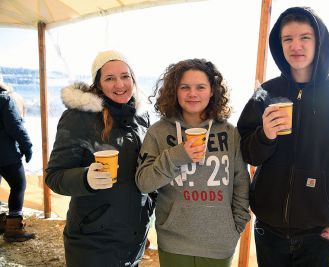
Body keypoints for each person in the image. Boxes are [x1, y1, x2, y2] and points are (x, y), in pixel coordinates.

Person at [237, 6, 329, 267]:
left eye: (305, 37)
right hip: (268, 227)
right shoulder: (265, 92)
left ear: (319, 42)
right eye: (288, 39)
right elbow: (245, 152)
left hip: (319, 231)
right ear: (280, 44)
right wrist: (265, 135)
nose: (296, 45)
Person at [135, 58, 250, 267]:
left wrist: (237, 225)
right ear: (174, 91)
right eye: (185, 87)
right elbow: (144, 182)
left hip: (219, 243)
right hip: (174, 242)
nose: (193, 94)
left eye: (200, 87)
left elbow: (241, 181)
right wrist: (179, 154)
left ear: (212, 91)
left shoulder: (229, 132)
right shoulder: (158, 132)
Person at [45, 50, 155, 267]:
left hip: (134, 236)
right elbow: (54, 176)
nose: (120, 84)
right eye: (110, 78)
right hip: (93, 240)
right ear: (98, 84)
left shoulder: (142, 117)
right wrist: (85, 178)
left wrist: (151, 204)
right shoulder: (80, 117)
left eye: (125, 76)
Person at [0, 81, 35, 242]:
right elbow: (16, 127)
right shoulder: (4, 100)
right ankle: (14, 229)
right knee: (18, 185)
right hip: (6, 155)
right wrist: (27, 146)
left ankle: (2, 223)